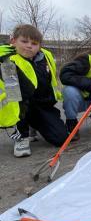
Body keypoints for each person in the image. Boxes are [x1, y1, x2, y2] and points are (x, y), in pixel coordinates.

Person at [0, 24, 68, 157]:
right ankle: (21, 136)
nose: (29, 46)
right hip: (20, 105)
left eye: (34, 43)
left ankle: (34, 125)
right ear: (13, 41)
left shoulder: (46, 57)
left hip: (42, 105)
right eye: (24, 41)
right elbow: (14, 93)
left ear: (40, 46)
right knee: (19, 97)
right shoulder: (7, 61)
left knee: (61, 138)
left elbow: (51, 82)